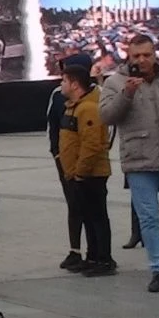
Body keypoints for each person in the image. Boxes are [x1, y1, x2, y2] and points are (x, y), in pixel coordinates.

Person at [99, 33, 159, 294]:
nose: (143, 60)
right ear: (128, 56)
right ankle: (158, 270)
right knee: (149, 220)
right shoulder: (115, 82)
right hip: (139, 161)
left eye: (147, 55)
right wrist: (127, 94)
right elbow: (106, 116)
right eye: (137, 56)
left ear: (154, 53)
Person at [58, 66, 115, 277]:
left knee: (97, 217)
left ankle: (104, 259)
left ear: (74, 84)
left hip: (91, 175)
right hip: (78, 175)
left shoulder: (88, 108)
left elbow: (91, 145)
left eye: (64, 81)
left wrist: (79, 172)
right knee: (88, 217)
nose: (61, 85)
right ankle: (93, 257)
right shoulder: (74, 107)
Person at [50, 55, 91, 269]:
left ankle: (97, 253)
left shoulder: (95, 96)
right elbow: (52, 126)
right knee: (73, 206)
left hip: (89, 163)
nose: (62, 78)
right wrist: (57, 155)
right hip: (65, 163)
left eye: (66, 74)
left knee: (93, 209)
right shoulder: (57, 96)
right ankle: (75, 250)